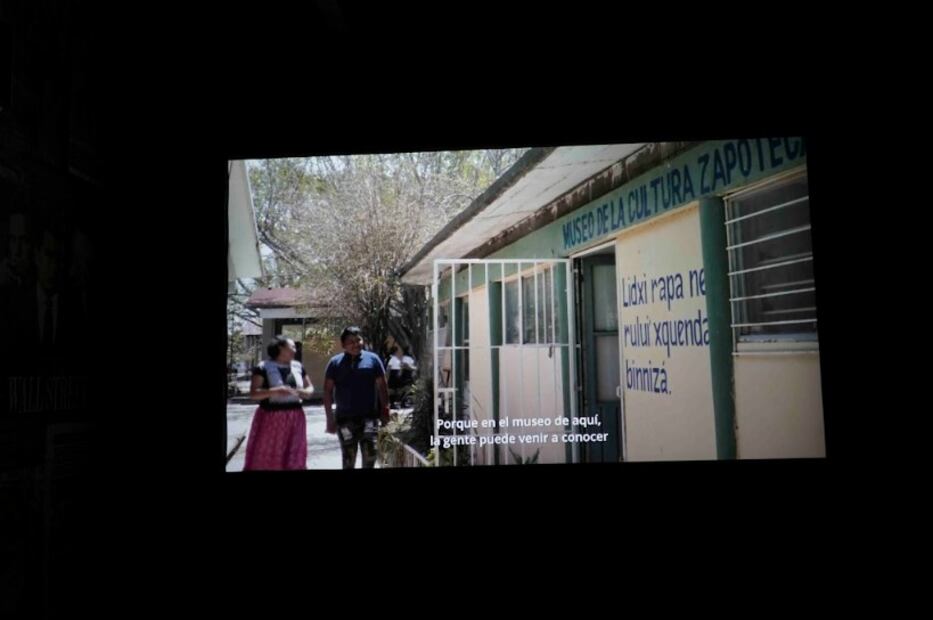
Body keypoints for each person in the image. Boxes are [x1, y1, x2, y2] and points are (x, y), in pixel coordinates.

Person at [243, 336, 314, 470]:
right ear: (281, 348)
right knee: (269, 455)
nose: (295, 350)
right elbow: (253, 393)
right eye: (292, 347)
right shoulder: (263, 366)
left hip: (296, 418)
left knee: (295, 455)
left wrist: (304, 392)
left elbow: (310, 387)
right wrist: (275, 391)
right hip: (271, 418)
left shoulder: (298, 366)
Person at [323, 326, 389, 469]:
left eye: (358, 340)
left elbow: (382, 387)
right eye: (351, 341)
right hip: (345, 420)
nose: (356, 344)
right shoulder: (335, 363)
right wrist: (329, 419)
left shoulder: (373, 359)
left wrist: (385, 411)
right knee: (348, 460)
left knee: (370, 456)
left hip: (369, 419)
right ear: (343, 345)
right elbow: (327, 391)